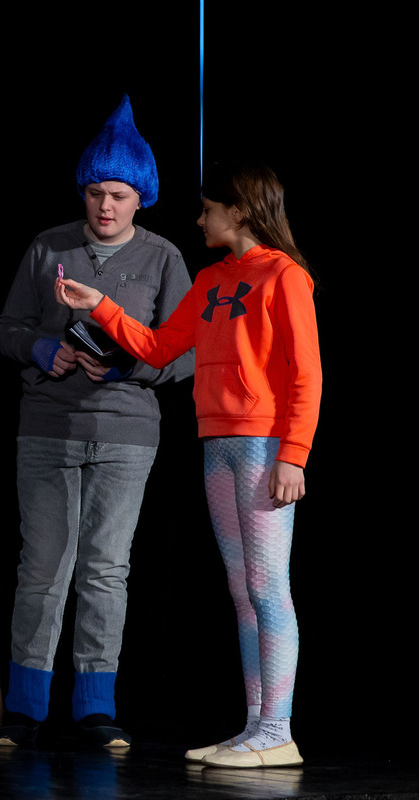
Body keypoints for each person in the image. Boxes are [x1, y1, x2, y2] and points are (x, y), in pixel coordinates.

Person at [56, 162, 321, 768]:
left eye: (208, 209)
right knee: (242, 589)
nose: (200, 220)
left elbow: (307, 374)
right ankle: (257, 727)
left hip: (262, 445)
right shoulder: (210, 279)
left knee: (268, 586)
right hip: (216, 442)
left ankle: (277, 729)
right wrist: (99, 304)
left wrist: (293, 455)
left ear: (240, 211)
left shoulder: (285, 276)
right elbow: (158, 347)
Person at [0, 96, 194, 748]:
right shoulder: (48, 246)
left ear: (141, 199)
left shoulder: (163, 258)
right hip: (47, 427)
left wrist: (129, 368)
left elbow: (185, 352)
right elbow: (8, 325)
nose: (105, 206)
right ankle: (26, 706)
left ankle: (95, 707)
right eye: (94, 193)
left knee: (106, 569)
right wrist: (39, 349)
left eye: (118, 195)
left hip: (125, 432)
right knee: (42, 568)